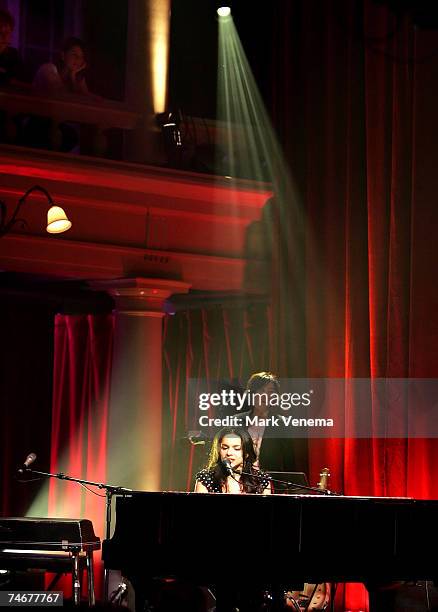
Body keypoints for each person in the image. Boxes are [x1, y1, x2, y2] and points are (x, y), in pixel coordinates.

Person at [194, 426, 271, 494]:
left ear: (247, 452)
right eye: (225, 448)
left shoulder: (261, 479)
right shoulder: (206, 477)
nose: (229, 453)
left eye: (236, 448)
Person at [0, 9, 22, 87]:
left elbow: (14, 80)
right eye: (0, 33)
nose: (4, 36)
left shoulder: (13, 55)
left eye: (8, 32)